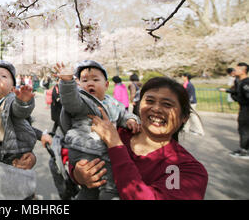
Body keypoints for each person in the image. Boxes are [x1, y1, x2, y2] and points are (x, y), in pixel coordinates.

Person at [75, 76, 208, 200]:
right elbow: (79, 157)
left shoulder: (188, 169)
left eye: (167, 104)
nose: (156, 108)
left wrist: (115, 145)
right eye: (149, 101)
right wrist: (79, 174)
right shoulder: (117, 133)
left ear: (184, 117)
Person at [53, 61, 140, 200]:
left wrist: (132, 120)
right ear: (79, 85)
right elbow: (69, 100)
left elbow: (123, 114)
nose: (90, 83)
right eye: (85, 80)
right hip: (83, 149)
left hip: (105, 151)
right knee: (103, 186)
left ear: (106, 85)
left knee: (103, 185)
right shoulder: (81, 102)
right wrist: (67, 82)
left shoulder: (112, 102)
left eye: (95, 79)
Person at [0, 60, 37, 165]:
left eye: (4, 76)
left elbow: (19, 111)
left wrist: (22, 102)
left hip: (10, 151)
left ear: (12, 89)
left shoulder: (9, 101)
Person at [226, 62, 249, 159]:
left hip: (247, 109)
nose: (234, 71)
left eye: (237, 69)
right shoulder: (239, 81)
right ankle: (243, 147)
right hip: (243, 108)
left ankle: (245, 150)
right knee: (242, 129)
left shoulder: (246, 83)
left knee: (244, 129)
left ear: (243, 71)